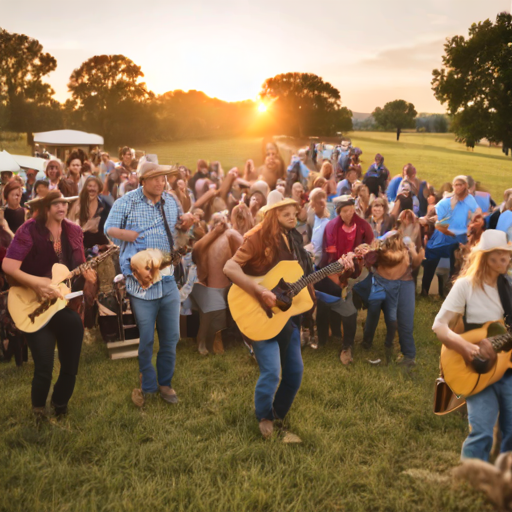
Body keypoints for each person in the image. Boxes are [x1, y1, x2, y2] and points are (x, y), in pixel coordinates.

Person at [223, 192, 314, 440]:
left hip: (286, 314)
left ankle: (277, 413)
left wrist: (343, 265)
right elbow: (229, 267)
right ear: (273, 215)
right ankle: (263, 415)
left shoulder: (292, 237)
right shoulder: (255, 237)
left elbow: (298, 274)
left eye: (294, 213)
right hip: (258, 313)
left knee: (294, 374)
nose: (293, 217)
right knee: (272, 372)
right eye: (286, 214)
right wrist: (259, 290)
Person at [104, 161, 194, 407]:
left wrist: (187, 225)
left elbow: (180, 234)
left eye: (163, 178)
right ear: (142, 180)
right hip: (140, 281)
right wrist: (128, 236)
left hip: (166, 277)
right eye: (155, 178)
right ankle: (148, 383)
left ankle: (165, 383)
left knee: (171, 336)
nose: (160, 182)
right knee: (146, 338)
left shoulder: (171, 201)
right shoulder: (126, 202)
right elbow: (108, 229)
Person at [2, 191, 95, 419]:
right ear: (44, 207)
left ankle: (60, 404)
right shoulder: (29, 230)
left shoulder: (73, 230)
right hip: (31, 302)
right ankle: (38, 411)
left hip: (61, 304)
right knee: (44, 365)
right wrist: (36, 284)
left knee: (72, 353)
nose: (61, 207)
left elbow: (78, 263)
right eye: (55, 203)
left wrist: (87, 273)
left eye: (64, 202)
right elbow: (8, 265)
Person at [432, 230, 512, 461]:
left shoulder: (508, 285)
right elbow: (439, 326)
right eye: (499, 256)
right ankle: (471, 479)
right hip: (478, 364)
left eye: (506, 256)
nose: (505, 261)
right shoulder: (465, 286)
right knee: (482, 431)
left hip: (507, 364)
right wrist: (465, 348)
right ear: (485, 258)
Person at [317, 196, 374, 364]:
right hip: (332, 268)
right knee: (324, 302)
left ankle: (347, 345)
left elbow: (371, 247)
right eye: (345, 211)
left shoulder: (363, 225)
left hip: (357, 272)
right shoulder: (332, 226)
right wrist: (342, 265)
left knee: (349, 309)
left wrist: (361, 253)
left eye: (352, 209)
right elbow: (330, 255)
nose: (350, 213)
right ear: (339, 212)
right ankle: (323, 337)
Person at [191, 213, 243, 355]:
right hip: (207, 285)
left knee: (216, 314)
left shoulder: (230, 234)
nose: (219, 223)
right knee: (208, 313)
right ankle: (202, 340)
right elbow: (196, 252)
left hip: (226, 283)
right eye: (216, 220)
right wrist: (213, 233)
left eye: (222, 220)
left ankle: (212, 341)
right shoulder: (207, 238)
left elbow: (244, 247)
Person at [421, 176, 481, 295]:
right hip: (443, 236)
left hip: (457, 237)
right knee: (432, 261)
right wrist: (429, 219)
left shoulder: (470, 200)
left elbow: (476, 215)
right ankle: (425, 289)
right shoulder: (448, 199)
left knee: (456, 265)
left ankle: (448, 291)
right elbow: (435, 212)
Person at [78, 176, 111, 250]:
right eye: (89, 186)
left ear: (99, 189)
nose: (92, 188)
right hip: (82, 245)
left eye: (94, 186)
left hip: (101, 246)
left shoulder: (105, 205)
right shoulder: (78, 204)